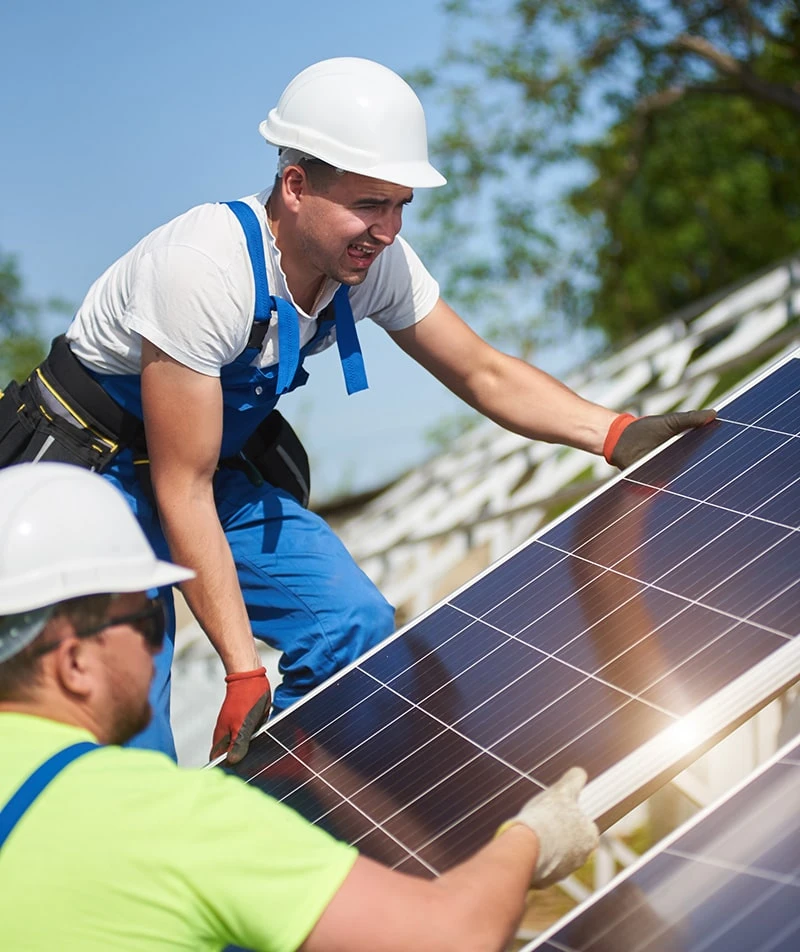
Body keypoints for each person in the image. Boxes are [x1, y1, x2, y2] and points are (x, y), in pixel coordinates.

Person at [0, 57, 716, 763]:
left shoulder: (372, 266)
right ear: (296, 185)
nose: (389, 228)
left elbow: (484, 372)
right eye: (370, 204)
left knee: (351, 625)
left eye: (402, 203)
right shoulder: (206, 268)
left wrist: (615, 432)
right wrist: (243, 669)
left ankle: (276, 816)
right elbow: (178, 489)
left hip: (199, 470)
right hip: (87, 478)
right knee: (123, 713)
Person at [0, 462, 599, 952]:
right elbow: (449, 936)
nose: (159, 641)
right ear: (73, 663)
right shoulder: (170, 818)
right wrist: (531, 837)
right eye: (143, 617)